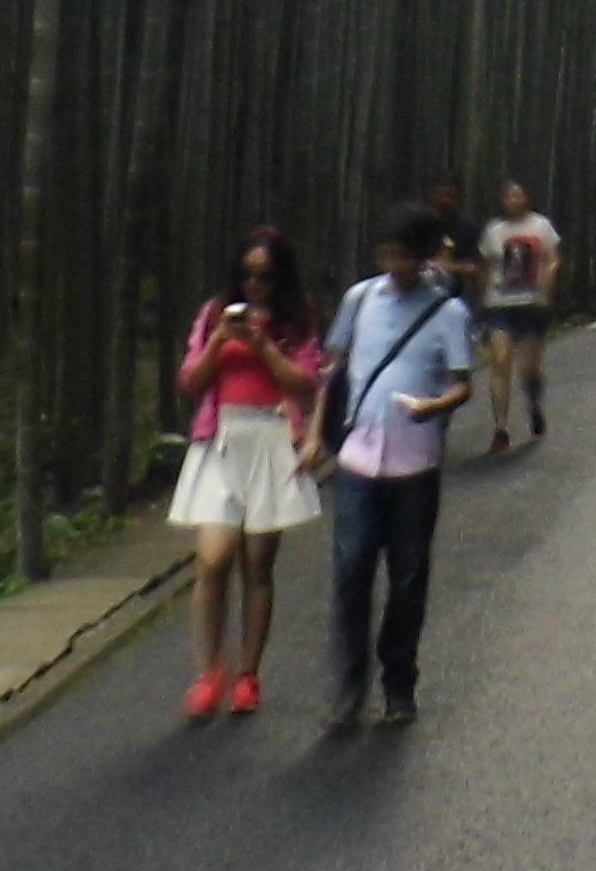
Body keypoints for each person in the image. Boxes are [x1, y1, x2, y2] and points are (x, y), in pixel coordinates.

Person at [304, 203, 476, 730]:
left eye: (405, 255)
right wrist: (315, 436)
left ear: (426, 257)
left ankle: (398, 681)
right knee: (351, 573)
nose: (395, 264)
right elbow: (333, 370)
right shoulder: (360, 299)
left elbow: (461, 382)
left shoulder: (448, 313)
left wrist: (435, 407)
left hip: (415, 464)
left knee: (406, 578)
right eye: (388, 253)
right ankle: (347, 688)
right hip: (358, 459)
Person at [170, 228, 322, 721]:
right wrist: (219, 339)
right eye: (247, 275)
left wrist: (264, 345)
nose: (255, 285)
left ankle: (248, 673)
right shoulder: (216, 313)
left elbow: (304, 380)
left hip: (272, 438)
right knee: (212, 560)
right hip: (222, 439)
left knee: (258, 563)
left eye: (266, 276)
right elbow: (191, 380)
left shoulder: (295, 320)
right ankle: (208, 671)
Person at [479, 181, 563, 449]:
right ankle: (501, 428)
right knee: (501, 362)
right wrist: (482, 299)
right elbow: (486, 266)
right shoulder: (494, 230)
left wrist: (547, 284)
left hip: (531, 303)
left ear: (526, 197)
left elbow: (553, 257)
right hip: (499, 303)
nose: (513, 200)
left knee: (529, 369)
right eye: (508, 195)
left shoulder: (541, 226)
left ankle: (534, 403)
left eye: (517, 194)